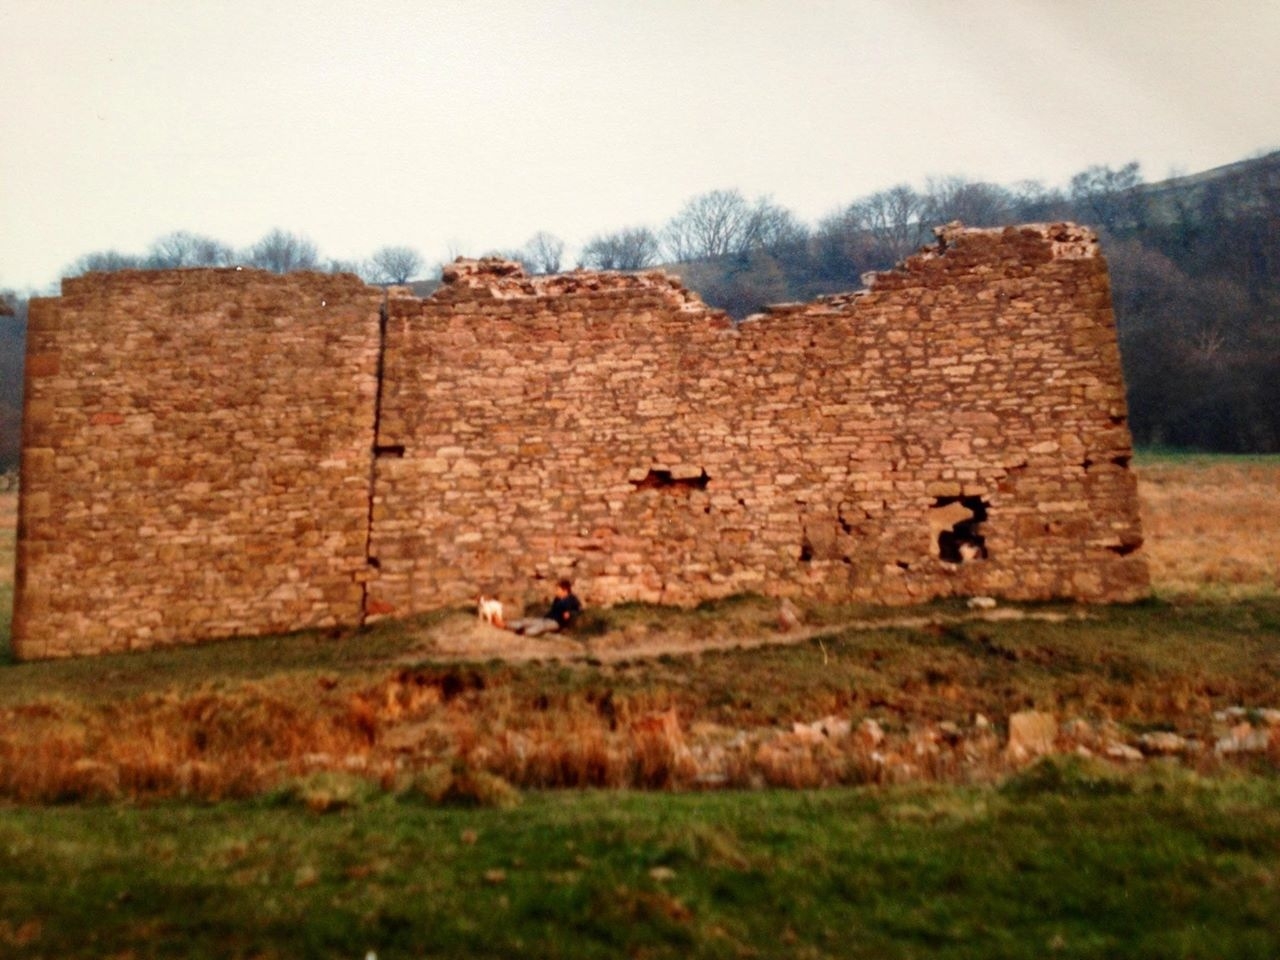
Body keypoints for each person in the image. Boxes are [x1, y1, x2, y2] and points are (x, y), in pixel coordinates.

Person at [509, 579, 582, 637]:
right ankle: (508, 625)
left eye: (558, 589)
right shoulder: (557, 599)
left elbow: (578, 610)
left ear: (565, 591)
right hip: (548, 618)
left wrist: (569, 613)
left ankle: (525, 632)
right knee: (529, 621)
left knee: (541, 626)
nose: (556, 591)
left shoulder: (572, 599)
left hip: (557, 622)